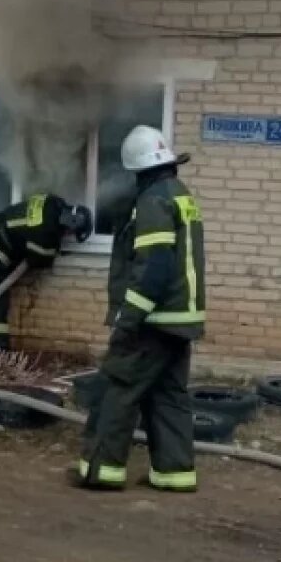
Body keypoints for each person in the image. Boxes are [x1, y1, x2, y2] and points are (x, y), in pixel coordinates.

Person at [73, 126, 206, 492]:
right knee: (168, 395)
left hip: (154, 320)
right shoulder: (181, 195)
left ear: (139, 171)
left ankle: (101, 469)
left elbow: (154, 267)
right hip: (182, 320)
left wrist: (128, 320)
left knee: (117, 387)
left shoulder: (153, 202)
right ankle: (174, 473)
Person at [0, 193, 92, 360]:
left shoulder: (52, 202)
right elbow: (40, 260)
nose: (67, 235)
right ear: (70, 221)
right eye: (69, 232)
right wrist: (54, 246)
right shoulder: (47, 232)